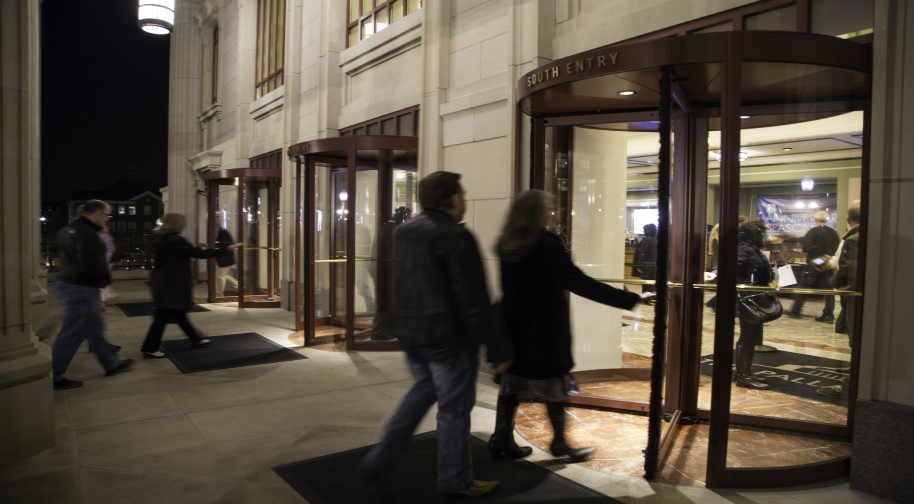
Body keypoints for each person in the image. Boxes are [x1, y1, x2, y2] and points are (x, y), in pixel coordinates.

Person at [360, 171, 512, 498]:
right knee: (454, 411)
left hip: (413, 335)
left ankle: (380, 457)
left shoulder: (406, 231)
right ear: (453, 198)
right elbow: (472, 298)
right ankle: (456, 480)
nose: (465, 198)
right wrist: (496, 348)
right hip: (449, 340)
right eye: (463, 193)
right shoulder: (456, 236)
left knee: (420, 393)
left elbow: (400, 282)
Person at [487, 190, 647, 463]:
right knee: (554, 385)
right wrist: (629, 298)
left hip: (514, 326)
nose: (553, 213)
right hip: (544, 329)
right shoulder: (545, 244)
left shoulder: (506, 243)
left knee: (512, 384)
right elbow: (579, 282)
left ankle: (501, 439)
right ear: (537, 213)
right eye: (549, 209)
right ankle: (559, 442)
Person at [51, 199, 133, 390]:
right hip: (81, 288)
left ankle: (111, 364)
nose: (107, 219)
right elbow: (91, 263)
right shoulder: (87, 234)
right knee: (73, 332)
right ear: (96, 213)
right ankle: (54, 375)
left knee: (95, 327)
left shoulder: (68, 229)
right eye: (107, 215)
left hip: (71, 284)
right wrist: (104, 280)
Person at [140, 214, 242, 358]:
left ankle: (196, 339)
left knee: (177, 314)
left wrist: (194, 247)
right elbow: (200, 254)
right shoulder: (176, 240)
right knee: (164, 316)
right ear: (177, 225)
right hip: (172, 283)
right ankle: (150, 348)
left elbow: (181, 253)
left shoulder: (161, 239)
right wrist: (228, 248)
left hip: (162, 281)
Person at [817, 201, 861, 399]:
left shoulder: (853, 239)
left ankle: (851, 389)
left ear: (848, 220)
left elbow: (846, 270)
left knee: (856, 342)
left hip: (854, 298)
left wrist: (834, 281)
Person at [734, 220, 773, 389]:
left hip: (753, 297)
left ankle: (743, 372)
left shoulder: (751, 249)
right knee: (748, 336)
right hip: (748, 298)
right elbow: (736, 268)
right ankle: (743, 375)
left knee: (749, 335)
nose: (763, 236)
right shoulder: (745, 249)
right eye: (760, 233)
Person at [786, 211, 840, 322]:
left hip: (814, 263)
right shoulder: (833, 232)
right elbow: (836, 247)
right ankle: (828, 314)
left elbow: (806, 246)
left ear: (815, 220)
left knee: (804, 286)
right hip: (829, 262)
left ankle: (796, 310)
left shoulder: (814, 231)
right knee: (828, 290)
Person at [370, 206, 411, 340]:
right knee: (389, 302)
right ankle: (380, 332)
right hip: (391, 272)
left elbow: (375, 251)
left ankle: (384, 330)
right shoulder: (399, 231)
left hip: (381, 271)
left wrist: (373, 272)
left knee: (384, 302)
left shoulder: (383, 229)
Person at [633, 223, 658, 293]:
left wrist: (639, 267)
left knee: (647, 285)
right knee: (652, 285)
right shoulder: (656, 240)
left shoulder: (646, 241)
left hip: (647, 267)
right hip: (654, 267)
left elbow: (642, 255)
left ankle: (647, 299)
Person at [214, 227, 239, 297]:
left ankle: (219, 295)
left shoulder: (222, 232)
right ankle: (237, 285)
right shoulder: (223, 232)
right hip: (226, 258)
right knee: (223, 275)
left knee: (220, 276)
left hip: (224, 258)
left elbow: (223, 245)